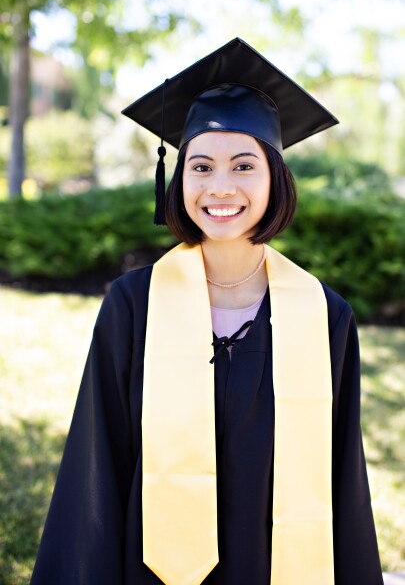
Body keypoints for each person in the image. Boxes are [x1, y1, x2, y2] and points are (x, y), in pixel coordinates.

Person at [31, 38, 383, 585]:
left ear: (275, 179)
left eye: (244, 165)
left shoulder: (324, 316)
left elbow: (343, 481)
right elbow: (96, 470)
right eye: (201, 166)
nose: (221, 187)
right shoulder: (133, 306)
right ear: (180, 179)